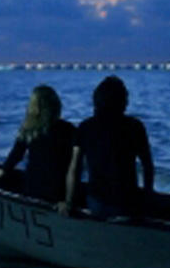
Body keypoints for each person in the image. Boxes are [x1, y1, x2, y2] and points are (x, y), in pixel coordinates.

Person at [60, 76, 154, 219]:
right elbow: (147, 166)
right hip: (127, 200)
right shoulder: (135, 126)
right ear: (122, 101)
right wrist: (148, 197)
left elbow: (74, 168)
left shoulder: (86, 127)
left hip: (97, 200)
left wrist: (68, 202)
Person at [0, 85, 76, 203]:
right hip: (58, 191)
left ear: (35, 107)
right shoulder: (69, 129)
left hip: (33, 188)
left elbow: (13, 158)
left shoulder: (29, 130)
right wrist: (68, 200)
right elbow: (74, 166)